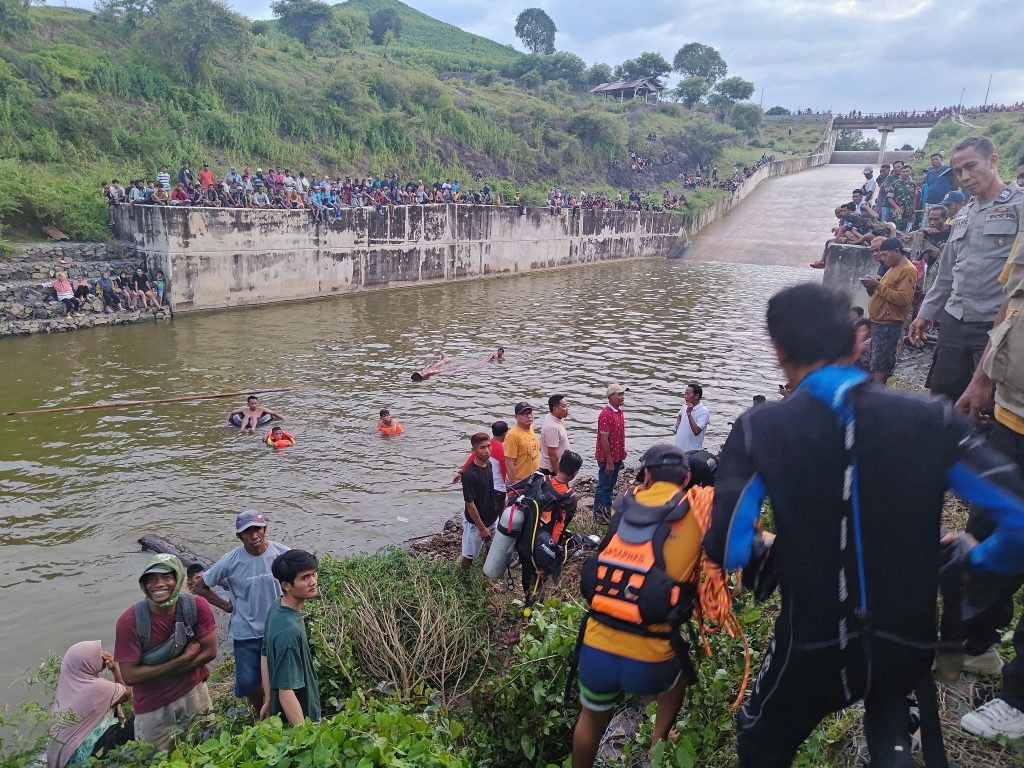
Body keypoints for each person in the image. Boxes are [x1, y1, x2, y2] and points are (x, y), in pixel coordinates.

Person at [704, 282, 1024, 768]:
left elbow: (726, 544)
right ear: (858, 343)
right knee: (889, 704)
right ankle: (893, 743)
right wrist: (973, 557)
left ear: (779, 351)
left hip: (811, 643)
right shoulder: (931, 419)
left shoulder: (760, 428)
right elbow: (1018, 519)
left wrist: (765, 544)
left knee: (761, 736)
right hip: (908, 641)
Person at [572, 444, 711, 768]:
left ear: (646, 476)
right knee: (680, 674)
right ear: (686, 479)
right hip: (651, 661)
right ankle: (657, 741)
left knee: (589, 718)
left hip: (595, 649)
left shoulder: (622, 508)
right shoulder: (699, 512)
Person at [954, 186, 1024, 740]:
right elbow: (1011, 305)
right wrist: (981, 377)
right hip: (1011, 411)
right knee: (988, 529)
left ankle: (1018, 700)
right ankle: (974, 644)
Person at [910, 136, 1023, 401]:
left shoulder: (1019, 206)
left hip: (996, 324)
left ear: (992, 160)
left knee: (988, 403)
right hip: (955, 319)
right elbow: (946, 272)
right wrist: (926, 313)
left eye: (971, 167)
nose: (964, 177)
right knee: (942, 396)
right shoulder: (963, 215)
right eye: (958, 172)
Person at [113, 554, 217, 752]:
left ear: (178, 579)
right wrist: (184, 659)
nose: (159, 584)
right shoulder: (130, 621)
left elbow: (210, 652)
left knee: (206, 749)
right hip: (152, 708)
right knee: (157, 759)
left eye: (167, 577)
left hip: (194, 693)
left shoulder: (196, 606)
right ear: (144, 584)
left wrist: (156, 670)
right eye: (151, 579)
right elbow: (130, 676)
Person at [190, 511, 289, 711]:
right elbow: (200, 586)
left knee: (283, 677)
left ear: (265, 529)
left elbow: (303, 575)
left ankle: (280, 711)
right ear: (239, 536)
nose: (254, 535)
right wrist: (225, 605)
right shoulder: (231, 560)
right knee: (248, 683)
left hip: (278, 628)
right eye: (247, 531)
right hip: (246, 632)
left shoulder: (282, 553)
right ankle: (260, 714)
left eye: (257, 529)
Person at [47, 641, 133, 768]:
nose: (102, 655)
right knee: (137, 723)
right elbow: (127, 693)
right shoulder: (96, 687)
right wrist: (115, 669)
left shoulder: (65, 689)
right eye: (96, 655)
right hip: (89, 755)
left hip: (66, 759)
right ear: (85, 663)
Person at [260, 550, 321, 725]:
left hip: (283, 716)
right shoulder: (289, 632)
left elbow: (264, 654)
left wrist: (268, 698)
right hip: (301, 719)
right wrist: (305, 735)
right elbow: (286, 693)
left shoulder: (277, 606)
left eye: (314, 574)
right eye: (304, 578)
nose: (313, 582)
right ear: (286, 585)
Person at [858, 237, 918, 384]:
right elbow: (882, 293)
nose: (882, 258)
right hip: (879, 322)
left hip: (889, 324)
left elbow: (903, 299)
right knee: (875, 361)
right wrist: (871, 288)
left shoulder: (907, 270)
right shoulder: (892, 267)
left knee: (881, 364)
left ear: (897, 251)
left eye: (885, 255)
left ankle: (877, 392)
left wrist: (878, 286)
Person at [460, 433, 498, 569]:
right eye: (482, 448)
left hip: (491, 517)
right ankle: (463, 577)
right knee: (469, 555)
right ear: (474, 450)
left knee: (491, 547)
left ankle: (485, 572)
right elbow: (470, 504)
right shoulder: (469, 475)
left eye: (489, 446)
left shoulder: (489, 465)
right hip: (475, 524)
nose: (487, 450)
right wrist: (481, 528)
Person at [594, 385, 628, 523]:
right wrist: (609, 461)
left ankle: (607, 508)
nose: (622, 397)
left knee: (611, 484)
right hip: (607, 457)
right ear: (610, 396)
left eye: (623, 394)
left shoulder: (620, 411)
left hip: (617, 455)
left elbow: (619, 433)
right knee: (603, 485)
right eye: (619, 394)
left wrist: (622, 450)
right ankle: (598, 513)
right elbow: (604, 439)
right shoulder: (606, 414)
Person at [504, 401, 541, 484]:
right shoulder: (513, 435)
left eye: (530, 413)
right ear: (516, 417)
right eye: (525, 414)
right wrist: (515, 483)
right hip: (521, 480)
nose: (529, 416)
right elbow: (509, 463)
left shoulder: (530, 428)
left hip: (533, 477)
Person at [539, 394, 571, 474]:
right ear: (555, 409)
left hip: (560, 464)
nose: (567, 409)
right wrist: (558, 474)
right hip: (551, 469)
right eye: (564, 406)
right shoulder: (552, 427)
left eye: (567, 406)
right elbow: (552, 454)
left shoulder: (555, 418)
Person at [673, 383, 710, 452]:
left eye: (688, 394)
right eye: (685, 394)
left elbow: (696, 431)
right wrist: (678, 428)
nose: (685, 396)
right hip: (679, 448)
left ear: (696, 396)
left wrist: (689, 413)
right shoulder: (685, 406)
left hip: (692, 451)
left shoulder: (704, 411)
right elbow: (680, 415)